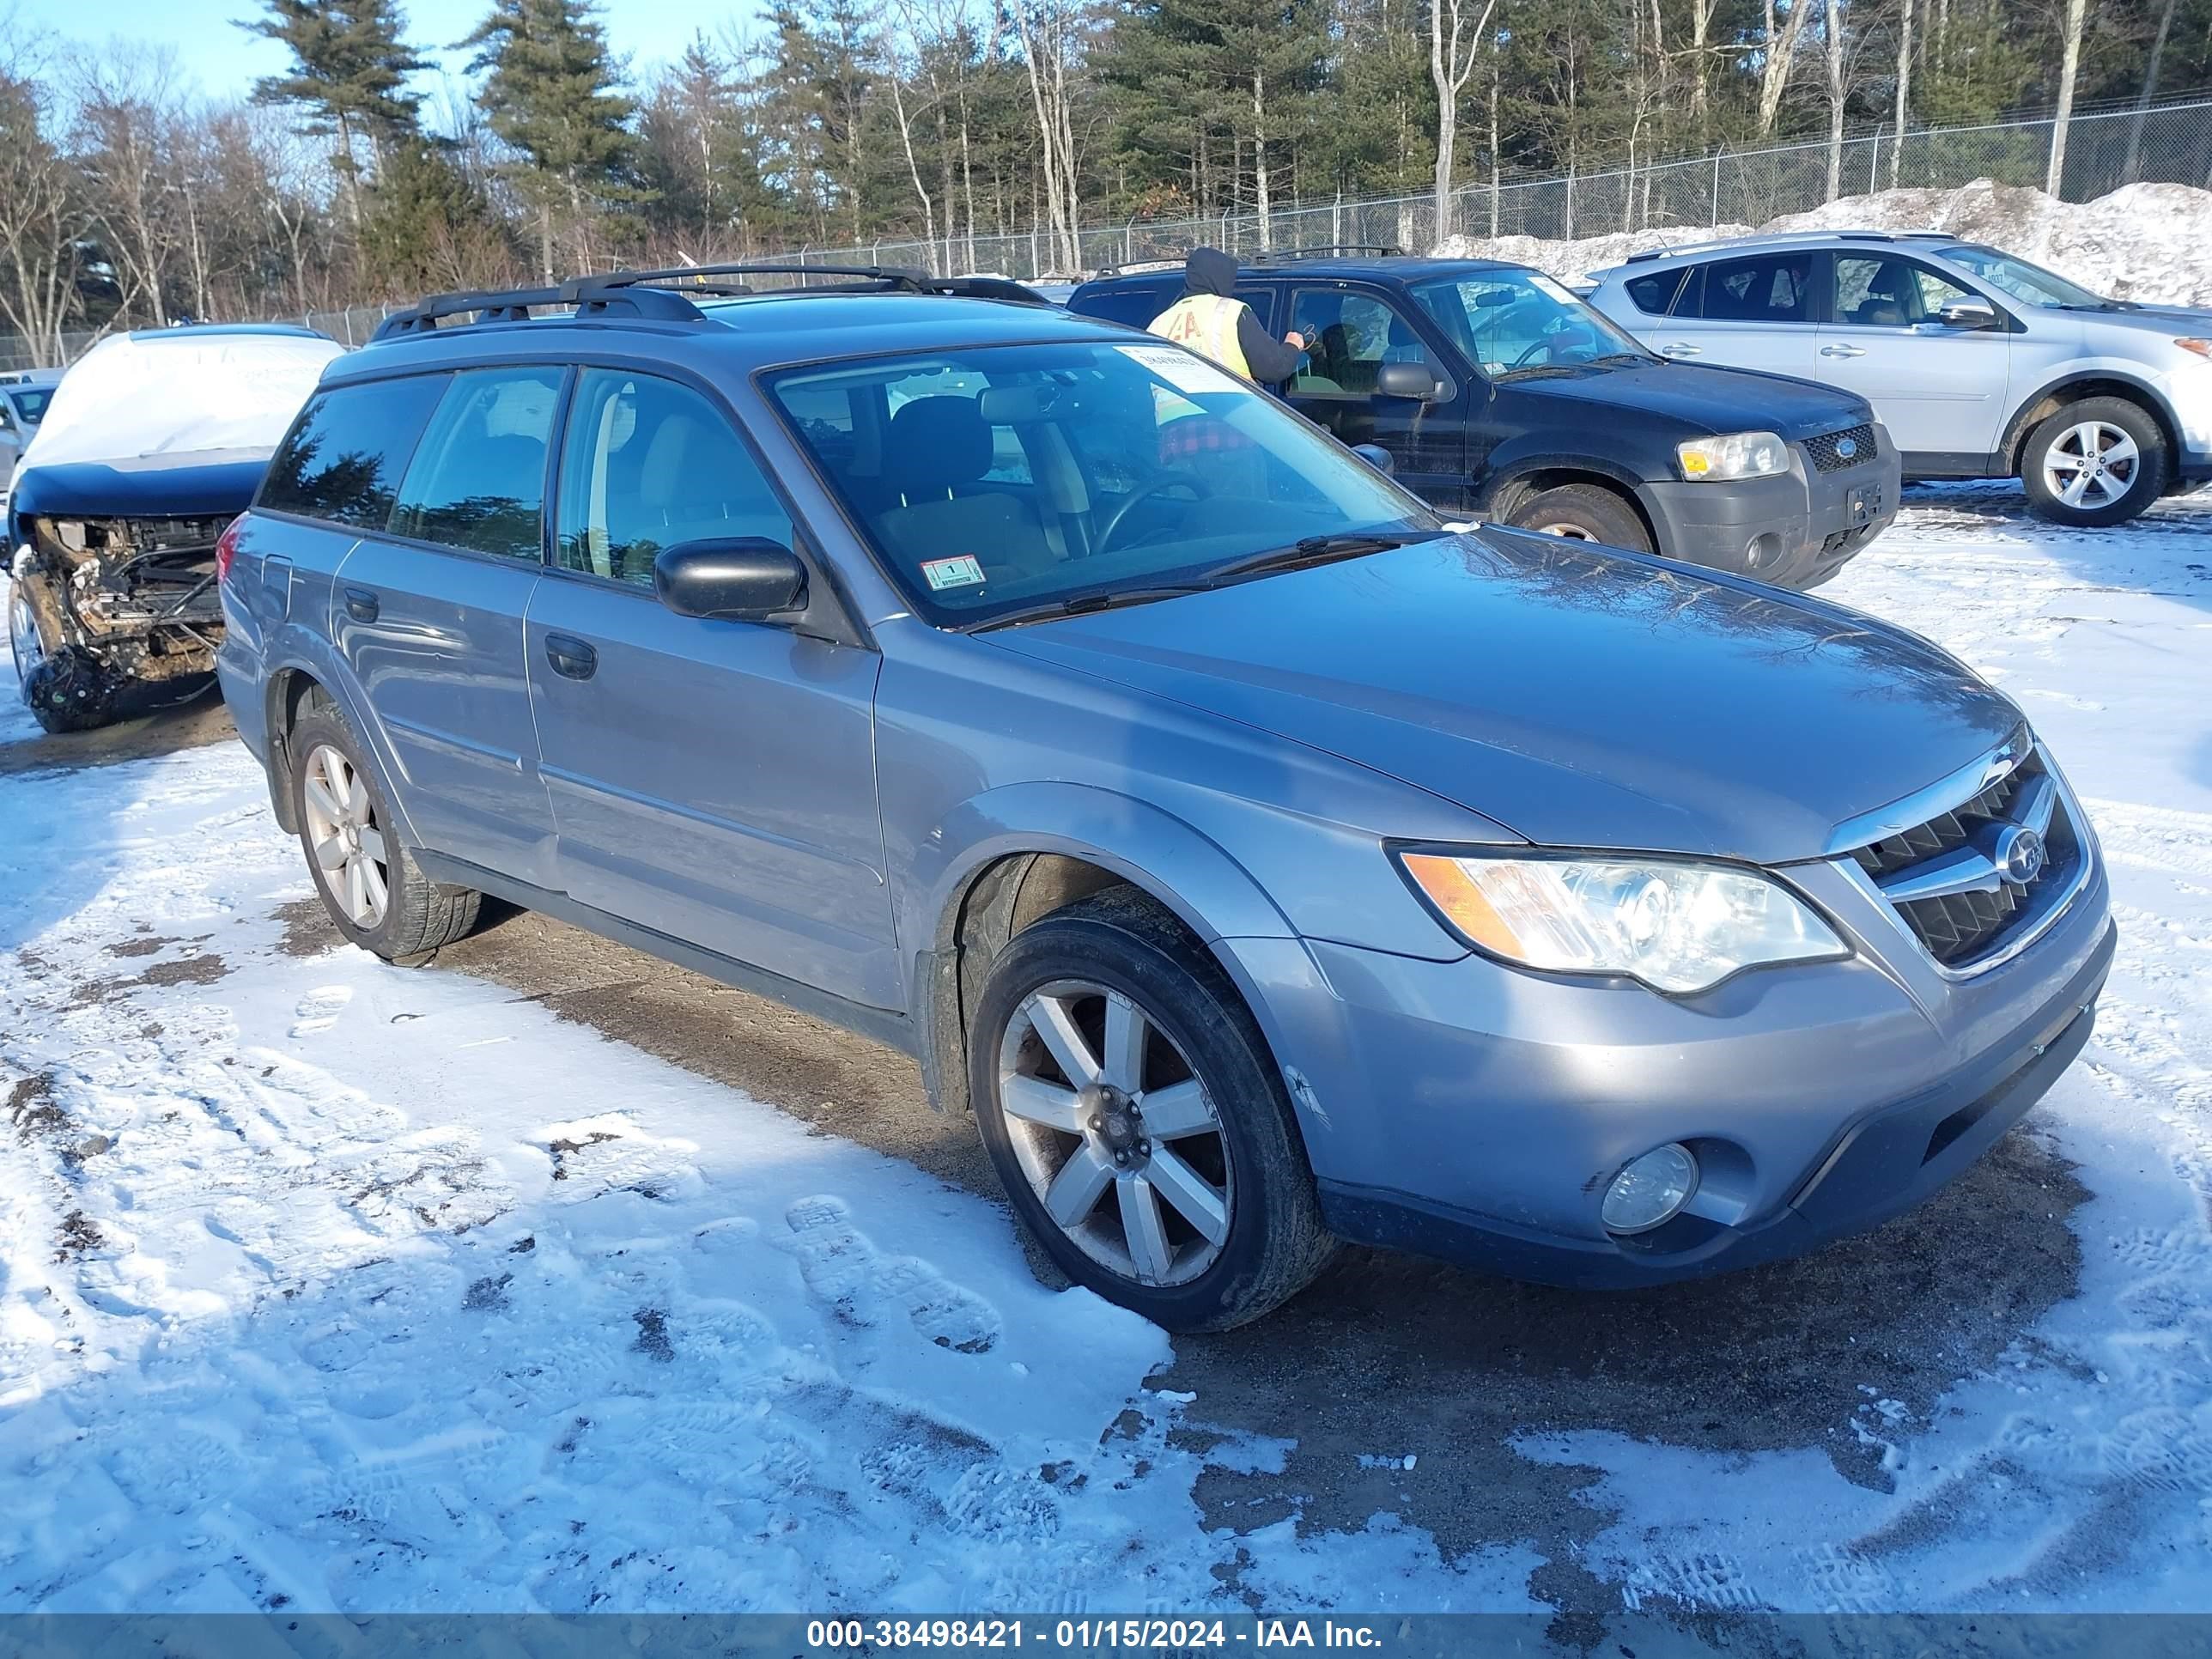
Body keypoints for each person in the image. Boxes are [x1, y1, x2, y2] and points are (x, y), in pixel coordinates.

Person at [1147, 248, 1306, 383]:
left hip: (1171, 417)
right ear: (1220, 277)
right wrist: (1292, 346)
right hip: (1226, 413)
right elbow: (1274, 368)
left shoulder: (1159, 324)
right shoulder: (1230, 312)